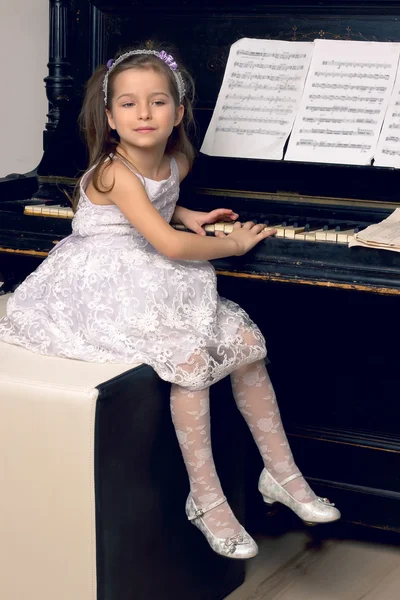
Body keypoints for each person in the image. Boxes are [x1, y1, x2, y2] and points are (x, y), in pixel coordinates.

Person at [0, 46, 340, 559]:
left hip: (150, 272)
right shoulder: (112, 171)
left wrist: (189, 212)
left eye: (157, 102)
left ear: (178, 113)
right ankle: (205, 498)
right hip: (102, 285)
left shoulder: (176, 158)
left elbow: (162, 198)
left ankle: (282, 473)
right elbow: (171, 244)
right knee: (190, 359)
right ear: (110, 118)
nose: (143, 114)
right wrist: (232, 243)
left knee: (247, 341)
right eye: (129, 104)